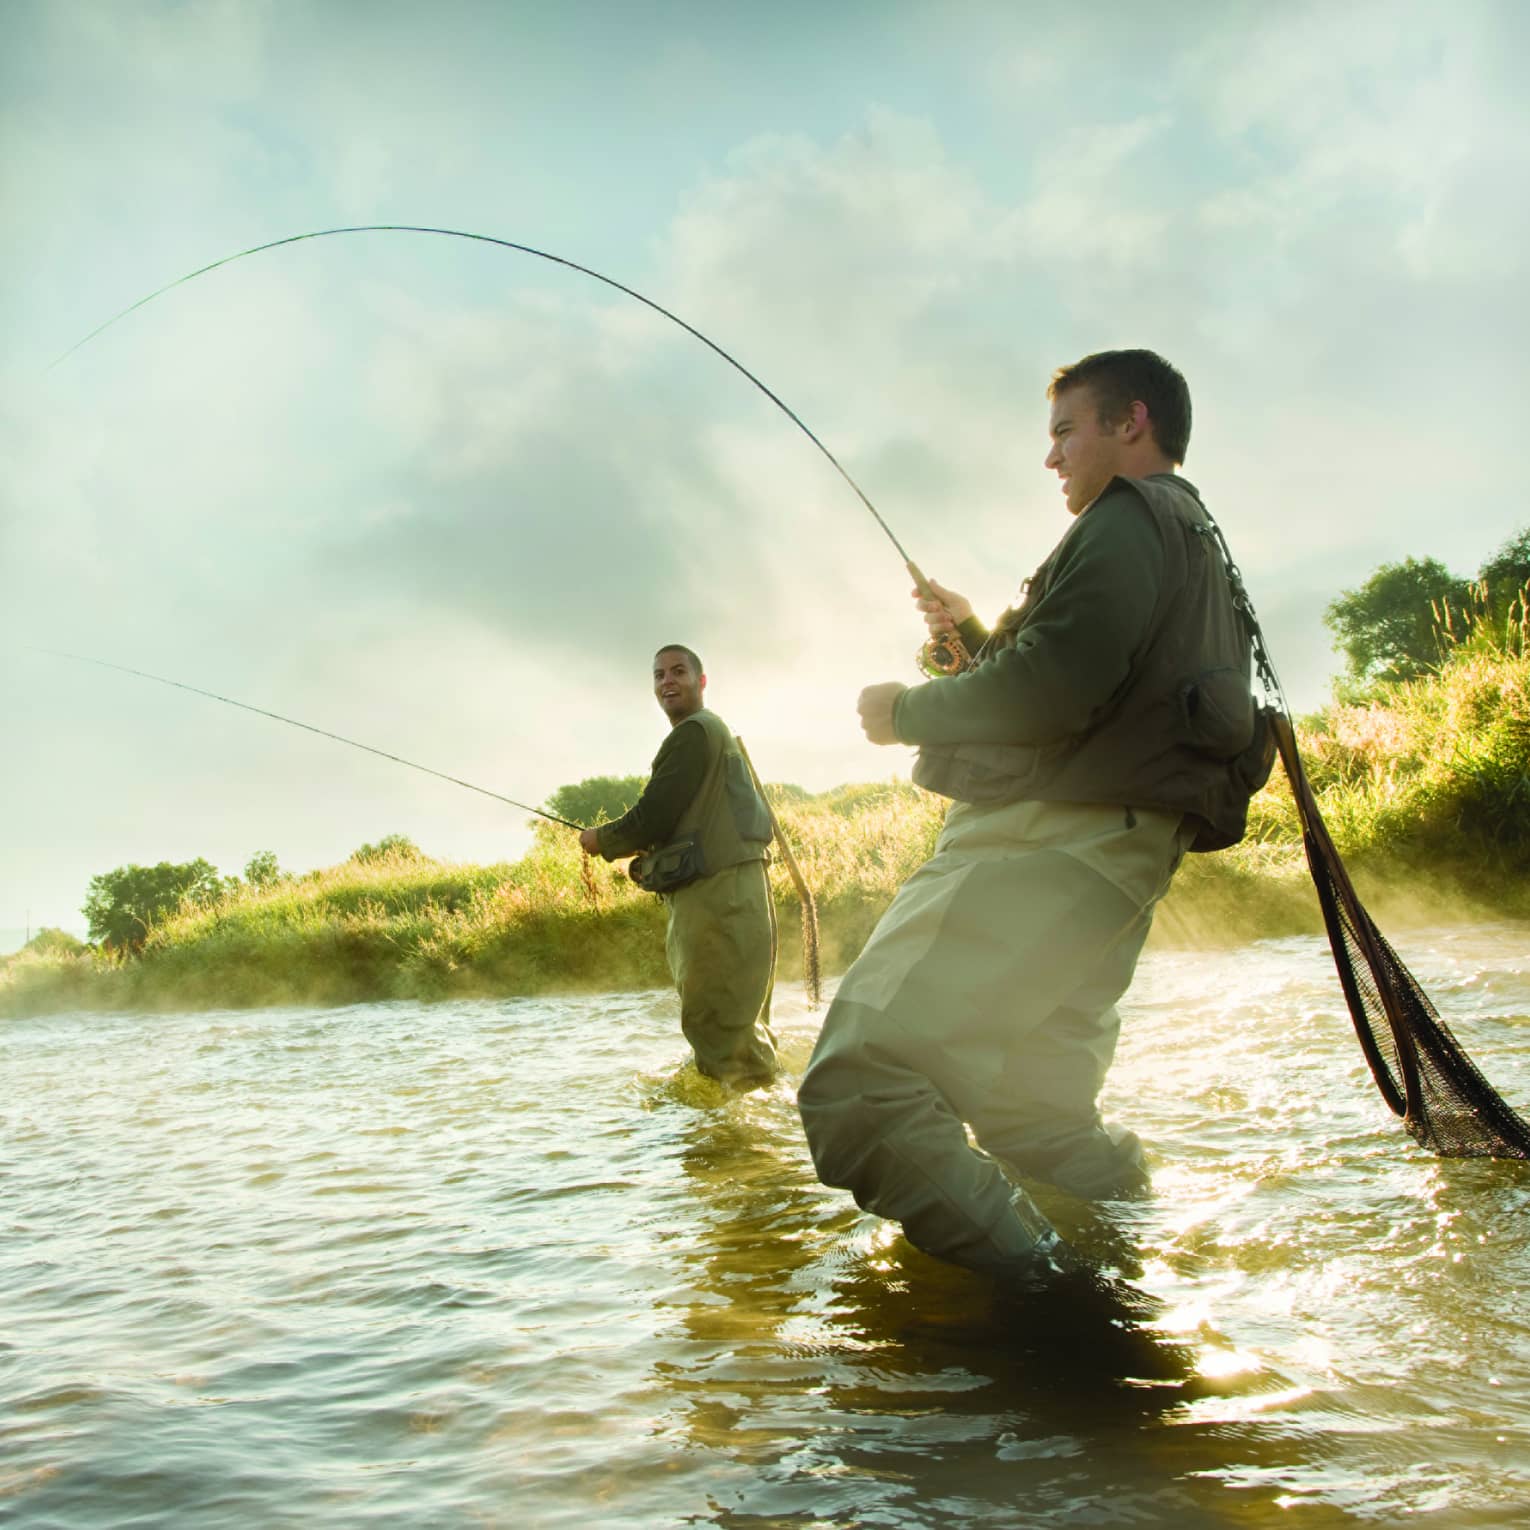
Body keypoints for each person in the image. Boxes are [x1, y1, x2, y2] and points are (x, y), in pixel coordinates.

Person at [797, 349, 1268, 1281]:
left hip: (1041, 853)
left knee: (860, 1088)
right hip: (1112, 876)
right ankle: (1145, 1272)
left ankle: (1063, 1325)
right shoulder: (1194, 536)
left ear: (1131, 422)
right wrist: (975, 638)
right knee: (1035, 1119)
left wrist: (907, 713)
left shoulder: (1126, 516)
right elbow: (1095, 681)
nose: (1051, 459)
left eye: (1065, 432)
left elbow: (1052, 689)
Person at [581, 644, 779, 1089]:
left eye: (678, 671)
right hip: (739, 896)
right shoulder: (714, 733)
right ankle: (764, 1142)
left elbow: (654, 814)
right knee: (743, 1029)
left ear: (701, 681)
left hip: (718, 900)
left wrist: (602, 840)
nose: (667, 681)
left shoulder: (692, 734)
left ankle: (730, 1146)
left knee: (718, 1030)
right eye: (658, 675)